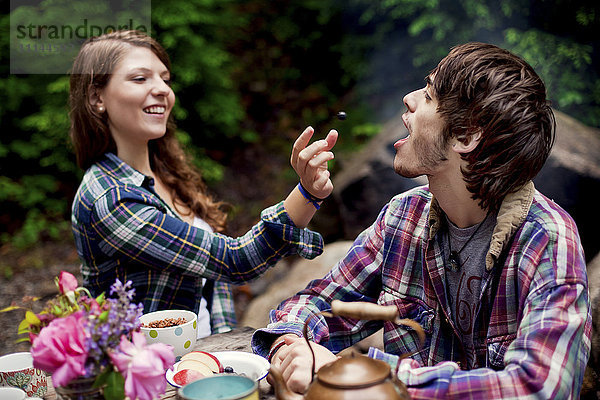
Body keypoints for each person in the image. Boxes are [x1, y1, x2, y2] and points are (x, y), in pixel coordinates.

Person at [252, 42, 592, 399]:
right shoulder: (403, 216)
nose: (409, 99)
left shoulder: (547, 240)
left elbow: (539, 387)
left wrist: (373, 378)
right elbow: (314, 303)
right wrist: (293, 346)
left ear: (466, 135)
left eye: (428, 96)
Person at [69, 30, 338, 338]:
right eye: (140, 79)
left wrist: (224, 348)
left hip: (202, 360)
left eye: (165, 79)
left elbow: (212, 280)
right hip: (148, 375)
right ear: (96, 98)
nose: (161, 90)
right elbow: (232, 261)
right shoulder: (111, 198)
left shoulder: (168, 173)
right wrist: (306, 193)